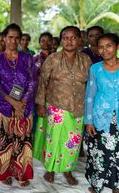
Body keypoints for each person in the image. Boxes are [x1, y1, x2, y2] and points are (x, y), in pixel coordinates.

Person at [33, 26, 92, 186]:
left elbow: (91, 85)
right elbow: (43, 82)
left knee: (72, 142)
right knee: (53, 140)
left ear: (80, 40)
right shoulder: (53, 58)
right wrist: (40, 104)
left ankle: (67, 170)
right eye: (66, 37)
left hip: (77, 108)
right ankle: (50, 169)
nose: (70, 41)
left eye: (74, 37)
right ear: (60, 40)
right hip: (55, 106)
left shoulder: (86, 60)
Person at [0, 23, 38, 187]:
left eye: (17, 37)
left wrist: (23, 102)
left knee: (23, 141)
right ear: (4, 38)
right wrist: (12, 102)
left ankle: (21, 173)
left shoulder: (27, 58)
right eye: (10, 37)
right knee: (5, 141)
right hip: (4, 107)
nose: (14, 40)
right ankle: (5, 172)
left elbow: (33, 80)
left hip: (25, 107)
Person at [85, 33, 119, 193]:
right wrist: (89, 120)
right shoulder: (95, 68)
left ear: (117, 47)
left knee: (117, 153)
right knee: (99, 152)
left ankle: (116, 185)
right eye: (101, 47)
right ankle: (96, 184)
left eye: (109, 46)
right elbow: (90, 95)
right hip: (100, 118)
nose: (105, 50)